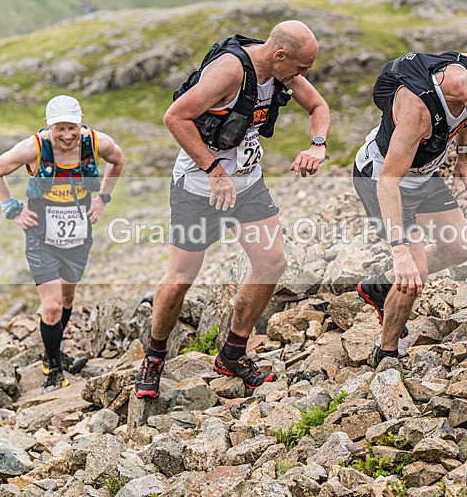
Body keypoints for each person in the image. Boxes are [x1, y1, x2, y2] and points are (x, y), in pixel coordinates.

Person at [134, 20, 330, 399]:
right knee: (181, 277)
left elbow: (318, 106)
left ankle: (233, 353)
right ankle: (155, 356)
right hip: (198, 185)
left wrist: (317, 144)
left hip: (248, 184)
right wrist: (213, 170)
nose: (303, 76)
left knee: (272, 261)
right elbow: (175, 117)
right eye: (300, 68)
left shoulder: (280, 71)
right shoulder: (230, 71)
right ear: (279, 55)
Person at [353, 52, 467, 367]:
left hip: (423, 175)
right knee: (415, 273)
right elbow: (388, 181)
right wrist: (400, 253)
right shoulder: (418, 111)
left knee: (462, 246)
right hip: (382, 177)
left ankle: (378, 286)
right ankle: (386, 354)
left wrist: (464, 156)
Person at [0, 95, 125, 392]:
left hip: (77, 234)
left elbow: (118, 160)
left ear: (81, 121)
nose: (66, 135)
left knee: (66, 300)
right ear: (47, 125)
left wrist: (103, 199)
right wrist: (12, 209)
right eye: (59, 128)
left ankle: (56, 351)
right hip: (41, 235)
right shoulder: (32, 148)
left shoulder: (96, 143)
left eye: (72, 128)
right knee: (50, 306)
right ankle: (53, 368)